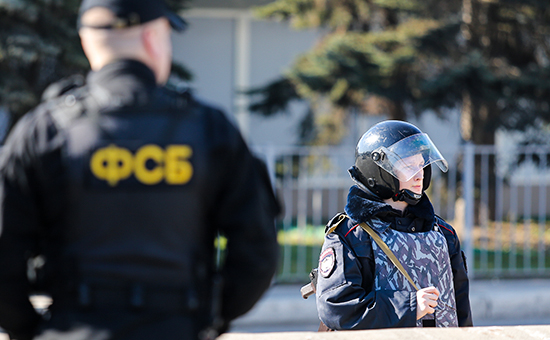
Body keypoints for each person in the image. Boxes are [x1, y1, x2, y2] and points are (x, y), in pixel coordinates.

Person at [0, 0, 280, 339]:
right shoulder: (210, 129)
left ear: (87, 41)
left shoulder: (43, 131)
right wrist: (208, 319)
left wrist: (34, 330)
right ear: (152, 38)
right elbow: (257, 253)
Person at [315, 120, 473, 330]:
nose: (419, 175)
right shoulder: (352, 235)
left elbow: (461, 312)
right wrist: (409, 306)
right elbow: (338, 307)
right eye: (408, 166)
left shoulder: (443, 234)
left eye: (421, 165)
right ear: (378, 172)